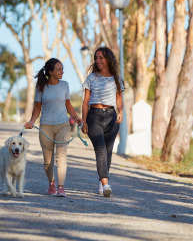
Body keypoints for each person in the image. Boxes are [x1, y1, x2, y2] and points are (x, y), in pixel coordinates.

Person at [24, 58, 82, 197]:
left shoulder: (65, 85)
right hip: (46, 126)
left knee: (61, 157)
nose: (62, 72)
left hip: (63, 125)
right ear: (50, 72)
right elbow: (37, 107)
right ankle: (51, 182)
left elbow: (68, 104)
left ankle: (61, 187)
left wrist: (75, 116)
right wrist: (32, 121)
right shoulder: (41, 87)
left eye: (62, 69)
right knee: (47, 161)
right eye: (59, 69)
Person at [81, 46, 125, 197]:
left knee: (108, 151)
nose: (98, 61)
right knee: (100, 150)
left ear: (108, 59)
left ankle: (101, 182)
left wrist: (121, 112)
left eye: (101, 58)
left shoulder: (117, 79)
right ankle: (106, 184)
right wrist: (84, 121)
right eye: (96, 58)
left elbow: (119, 99)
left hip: (112, 116)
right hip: (94, 116)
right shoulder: (91, 78)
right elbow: (85, 101)